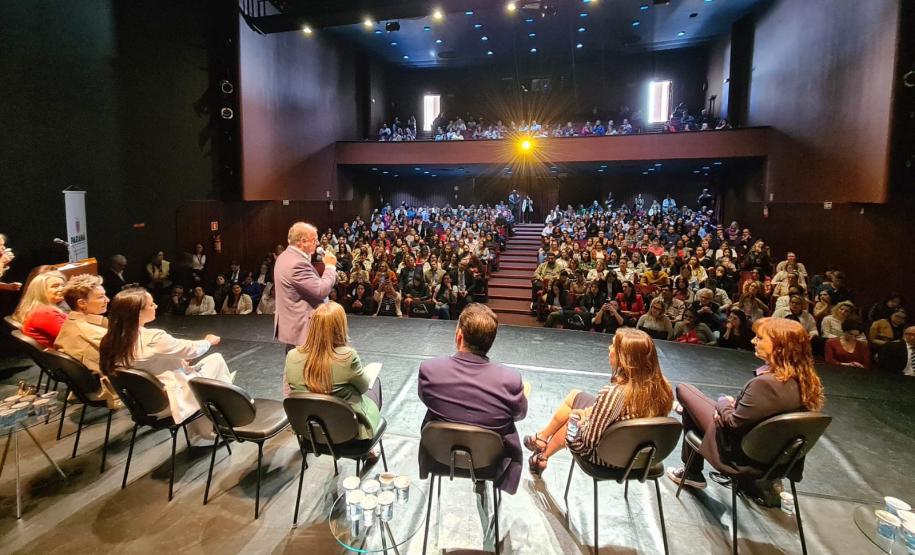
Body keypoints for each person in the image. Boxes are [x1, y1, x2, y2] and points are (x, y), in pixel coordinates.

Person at [668, 318, 825, 506]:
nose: (753, 341)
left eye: (760, 338)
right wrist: (737, 406)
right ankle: (691, 470)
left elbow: (734, 423)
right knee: (694, 405)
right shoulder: (805, 381)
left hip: (738, 454)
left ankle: (692, 471)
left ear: (780, 346)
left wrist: (724, 404)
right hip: (773, 458)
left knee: (685, 391)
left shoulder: (766, 384)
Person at [524, 329, 673, 474]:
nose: (609, 348)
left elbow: (589, 440)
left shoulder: (613, 394)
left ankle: (542, 449)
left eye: (613, 345)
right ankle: (542, 446)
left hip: (608, 459)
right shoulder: (664, 388)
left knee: (572, 417)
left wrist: (583, 418)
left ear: (625, 358)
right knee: (575, 396)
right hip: (644, 460)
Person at [418, 304, 528, 494]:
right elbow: (519, 415)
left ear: (459, 336)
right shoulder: (510, 380)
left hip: (440, 455)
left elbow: (426, 399)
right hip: (491, 463)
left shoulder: (430, 370)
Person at [99, 287, 235, 426]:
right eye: (151, 304)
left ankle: (209, 425)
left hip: (142, 404)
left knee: (202, 369)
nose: (156, 306)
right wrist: (208, 341)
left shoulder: (110, 340)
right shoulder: (153, 338)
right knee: (216, 361)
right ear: (138, 313)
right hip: (167, 403)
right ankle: (229, 420)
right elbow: (191, 349)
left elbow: (145, 363)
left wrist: (177, 361)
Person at [285, 302, 383, 443]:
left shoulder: (292, 355)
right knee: (374, 385)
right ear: (340, 327)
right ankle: (368, 445)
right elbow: (362, 388)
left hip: (308, 432)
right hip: (346, 431)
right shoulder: (347, 356)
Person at [54, 274, 120, 406]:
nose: (107, 299)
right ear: (82, 303)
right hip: (114, 388)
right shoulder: (90, 332)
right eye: (101, 297)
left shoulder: (71, 321)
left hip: (89, 385)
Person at [274, 222, 337, 352]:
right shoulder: (297, 264)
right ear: (303, 241)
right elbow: (321, 290)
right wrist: (330, 267)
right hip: (304, 331)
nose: (318, 243)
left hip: (294, 328)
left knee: (294, 368)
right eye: (314, 240)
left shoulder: (284, 257)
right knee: (307, 370)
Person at [15, 270, 67, 348]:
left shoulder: (39, 308)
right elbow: (74, 336)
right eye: (55, 286)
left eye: (63, 285)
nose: (62, 289)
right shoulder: (44, 313)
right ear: (41, 291)